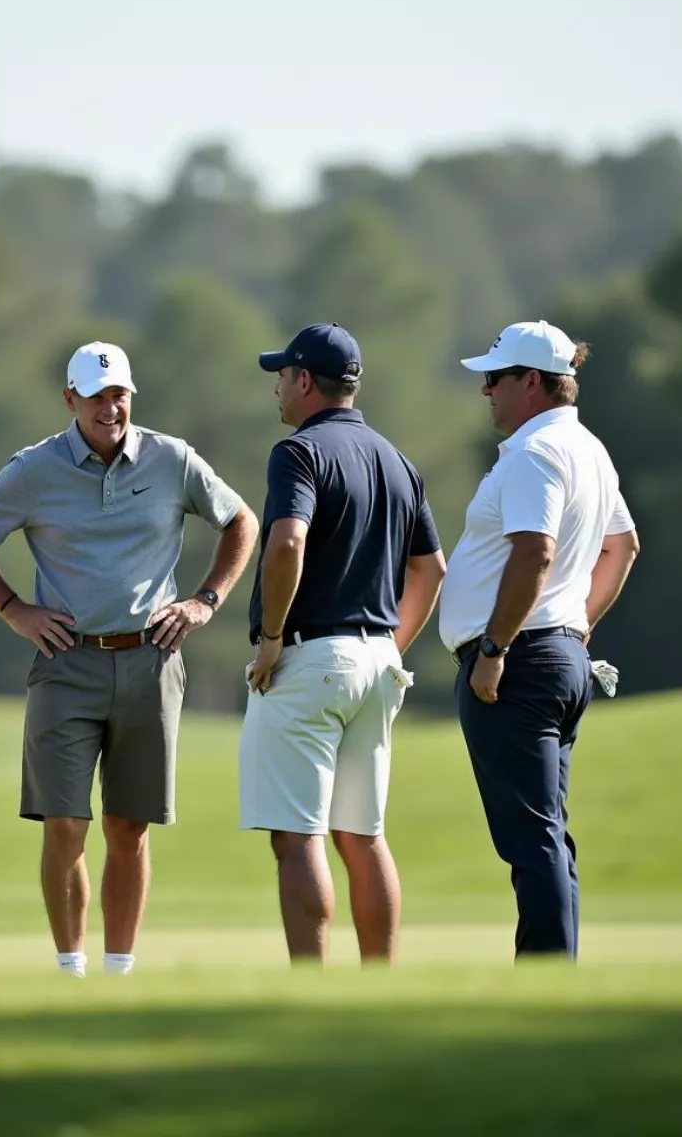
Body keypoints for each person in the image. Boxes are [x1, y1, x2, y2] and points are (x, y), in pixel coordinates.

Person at [0, 341, 259, 977]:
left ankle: (119, 973)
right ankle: (71, 972)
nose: (110, 407)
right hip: (66, 664)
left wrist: (205, 601)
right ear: (70, 400)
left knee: (129, 828)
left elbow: (240, 522)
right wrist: (15, 610)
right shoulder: (34, 469)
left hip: (151, 662)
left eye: (119, 393)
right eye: (95, 396)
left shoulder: (171, 458)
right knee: (64, 825)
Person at [240, 323, 446, 964]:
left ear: (304, 381)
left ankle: (312, 984)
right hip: (380, 663)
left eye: (282, 376)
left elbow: (287, 542)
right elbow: (431, 569)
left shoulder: (297, 452)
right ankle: (377, 984)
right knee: (363, 835)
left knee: (297, 837)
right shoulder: (397, 459)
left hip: (310, 660)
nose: (277, 388)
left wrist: (272, 639)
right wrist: (392, 648)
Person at [437, 320, 640, 959]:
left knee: (532, 841)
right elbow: (622, 547)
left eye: (494, 379)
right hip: (557, 655)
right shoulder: (590, 449)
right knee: (547, 834)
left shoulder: (534, 452)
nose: (486, 391)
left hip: (518, 662)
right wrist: (579, 624)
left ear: (531, 382)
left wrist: (495, 650)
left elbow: (536, 552)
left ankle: (547, 975)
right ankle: (555, 968)